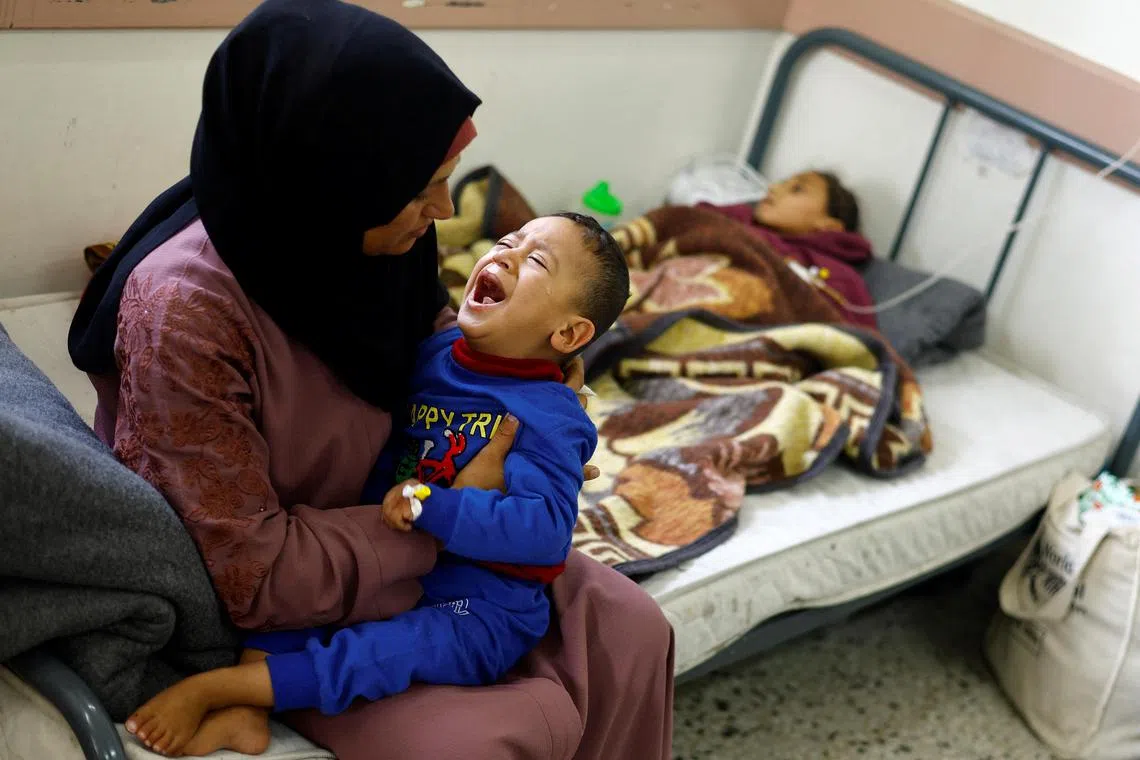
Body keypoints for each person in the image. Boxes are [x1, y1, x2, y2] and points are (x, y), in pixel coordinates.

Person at [68, 1, 674, 758]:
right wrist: (441, 510)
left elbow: (452, 357)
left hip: (431, 523)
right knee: (503, 731)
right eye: (424, 185)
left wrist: (538, 393)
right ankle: (248, 689)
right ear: (339, 175)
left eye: (448, 178)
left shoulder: (377, 240)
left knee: (633, 628)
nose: (446, 211)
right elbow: (251, 572)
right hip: (305, 581)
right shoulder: (186, 313)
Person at [122, 213, 630, 756]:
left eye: (533, 261)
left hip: (478, 604)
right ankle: (246, 714)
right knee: (302, 608)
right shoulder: (434, 356)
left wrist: (439, 506)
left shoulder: (550, 415)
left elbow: (546, 531)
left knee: (387, 650)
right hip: (404, 561)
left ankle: (216, 689)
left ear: (569, 334)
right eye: (506, 241)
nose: (503, 255)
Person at [703, 170, 878, 328]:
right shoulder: (728, 218)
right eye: (781, 183)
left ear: (828, 225)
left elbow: (852, 341)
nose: (773, 188)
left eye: (797, 189)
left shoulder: (838, 275)